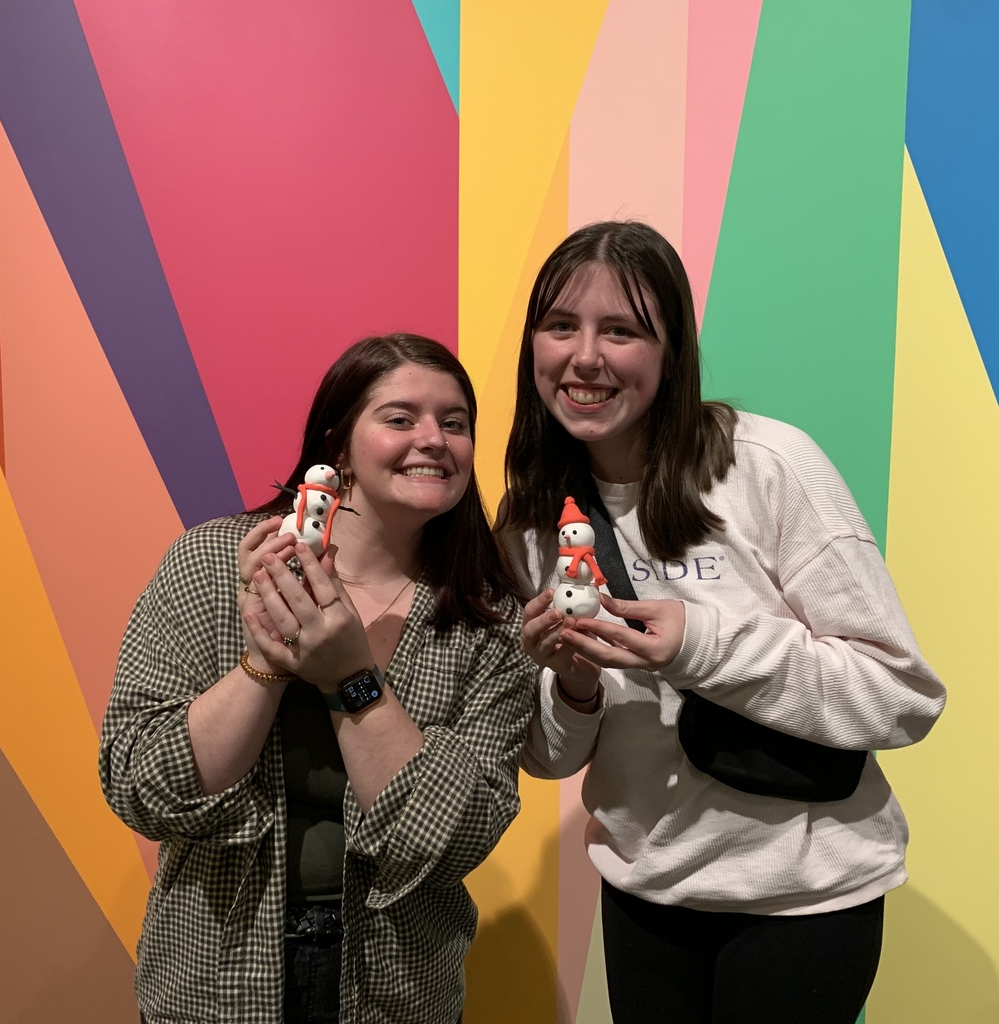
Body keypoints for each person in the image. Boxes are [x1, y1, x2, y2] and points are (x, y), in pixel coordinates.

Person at [497, 221, 946, 1024]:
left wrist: (701, 645)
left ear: (672, 352)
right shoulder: (531, 523)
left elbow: (900, 695)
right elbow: (549, 760)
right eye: (561, 324)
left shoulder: (766, 466)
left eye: (622, 330)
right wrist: (572, 686)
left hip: (806, 901)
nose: (584, 356)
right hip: (647, 891)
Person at [99, 334, 535, 1024]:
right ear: (338, 445)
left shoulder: (490, 623)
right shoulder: (213, 563)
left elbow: (449, 839)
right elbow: (141, 784)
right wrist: (267, 658)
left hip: (397, 991)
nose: (434, 439)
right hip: (214, 981)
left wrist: (350, 676)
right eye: (400, 419)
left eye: (455, 423)